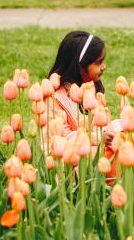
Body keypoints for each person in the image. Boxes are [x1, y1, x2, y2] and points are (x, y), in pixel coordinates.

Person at [46, 31, 121, 174]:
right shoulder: (54, 97)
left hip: (91, 146)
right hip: (63, 156)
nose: (103, 66)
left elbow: (99, 125)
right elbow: (63, 137)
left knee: (124, 142)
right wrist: (99, 138)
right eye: (98, 62)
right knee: (97, 155)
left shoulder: (90, 90)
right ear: (80, 66)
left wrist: (110, 133)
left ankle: (116, 187)